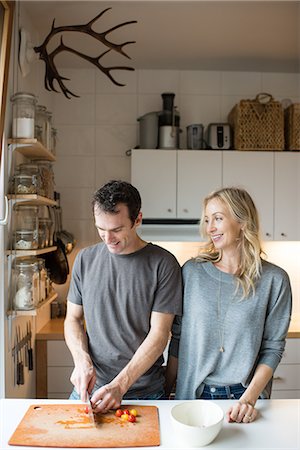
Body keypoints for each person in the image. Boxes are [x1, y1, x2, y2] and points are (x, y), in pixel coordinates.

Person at [166, 187, 292, 424]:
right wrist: (165, 392)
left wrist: (249, 399)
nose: (210, 228)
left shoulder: (274, 280)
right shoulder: (191, 273)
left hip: (244, 401)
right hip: (194, 398)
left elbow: (273, 348)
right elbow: (178, 338)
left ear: (243, 222)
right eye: (207, 220)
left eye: (218, 218)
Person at [64, 180, 182, 413]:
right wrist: (81, 360)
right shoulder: (85, 260)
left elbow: (160, 335)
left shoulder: (163, 264)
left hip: (144, 393)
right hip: (90, 390)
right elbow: (73, 319)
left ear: (137, 219)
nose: (108, 239)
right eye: (101, 229)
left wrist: (120, 385)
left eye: (117, 229)